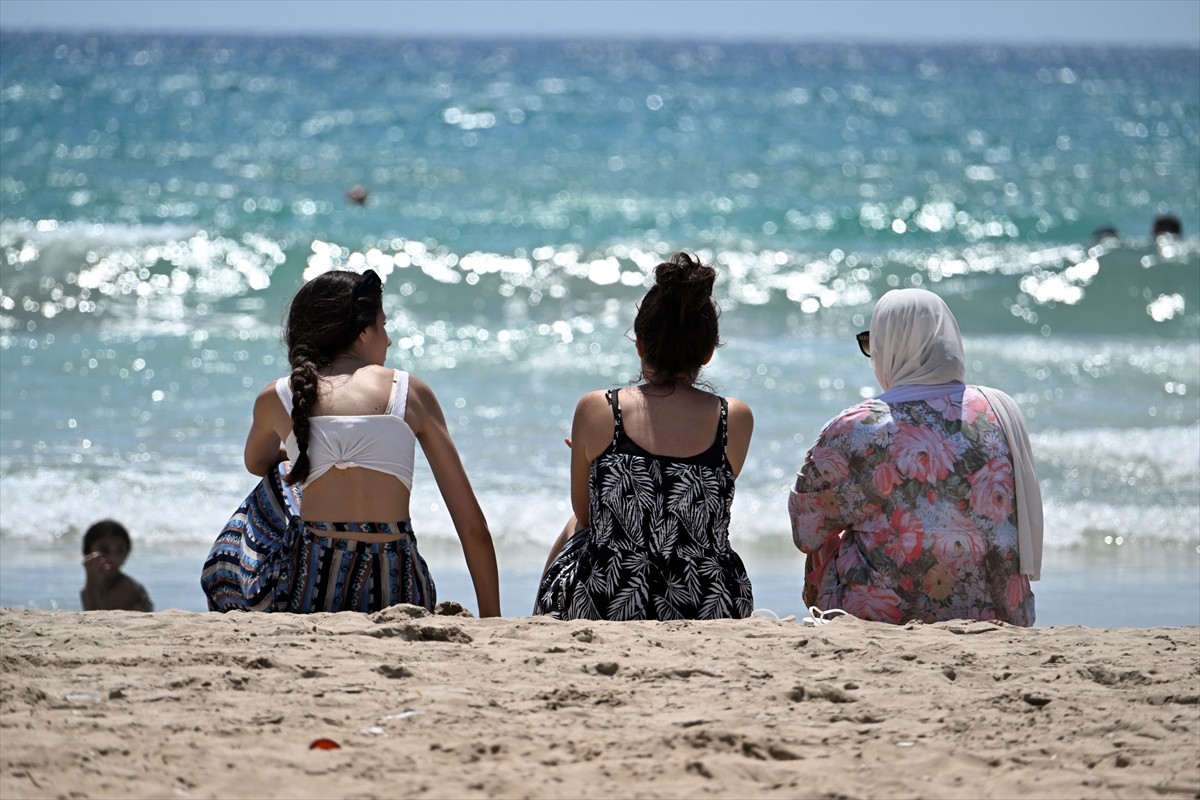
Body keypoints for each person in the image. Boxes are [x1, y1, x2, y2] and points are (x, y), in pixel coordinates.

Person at [202, 268, 500, 616]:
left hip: (308, 586)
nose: (388, 339)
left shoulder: (280, 395)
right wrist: (492, 619)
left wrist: (304, 452)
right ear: (362, 332)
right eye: (383, 325)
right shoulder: (410, 393)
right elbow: (473, 528)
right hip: (399, 586)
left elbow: (256, 463)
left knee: (281, 476)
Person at [788, 288, 1041, 626]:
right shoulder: (998, 409)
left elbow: (806, 532)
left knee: (825, 540)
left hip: (886, 614)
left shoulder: (858, 426)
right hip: (999, 611)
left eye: (871, 343)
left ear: (887, 346)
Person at [534, 252, 755, 621]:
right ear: (708, 352)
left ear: (639, 344)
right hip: (708, 599)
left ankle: (538, 620)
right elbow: (698, 505)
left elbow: (586, 515)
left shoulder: (597, 409)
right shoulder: (735, 418)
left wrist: (598, 469)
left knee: (576, 528)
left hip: (609, 595)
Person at [81, 519, 154, 612]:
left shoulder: (127, 586)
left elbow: (98, 620)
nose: (113, 557)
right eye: (104, 550)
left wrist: (91, 580)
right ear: (88, 552)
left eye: (120, 550)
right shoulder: (87, 590)